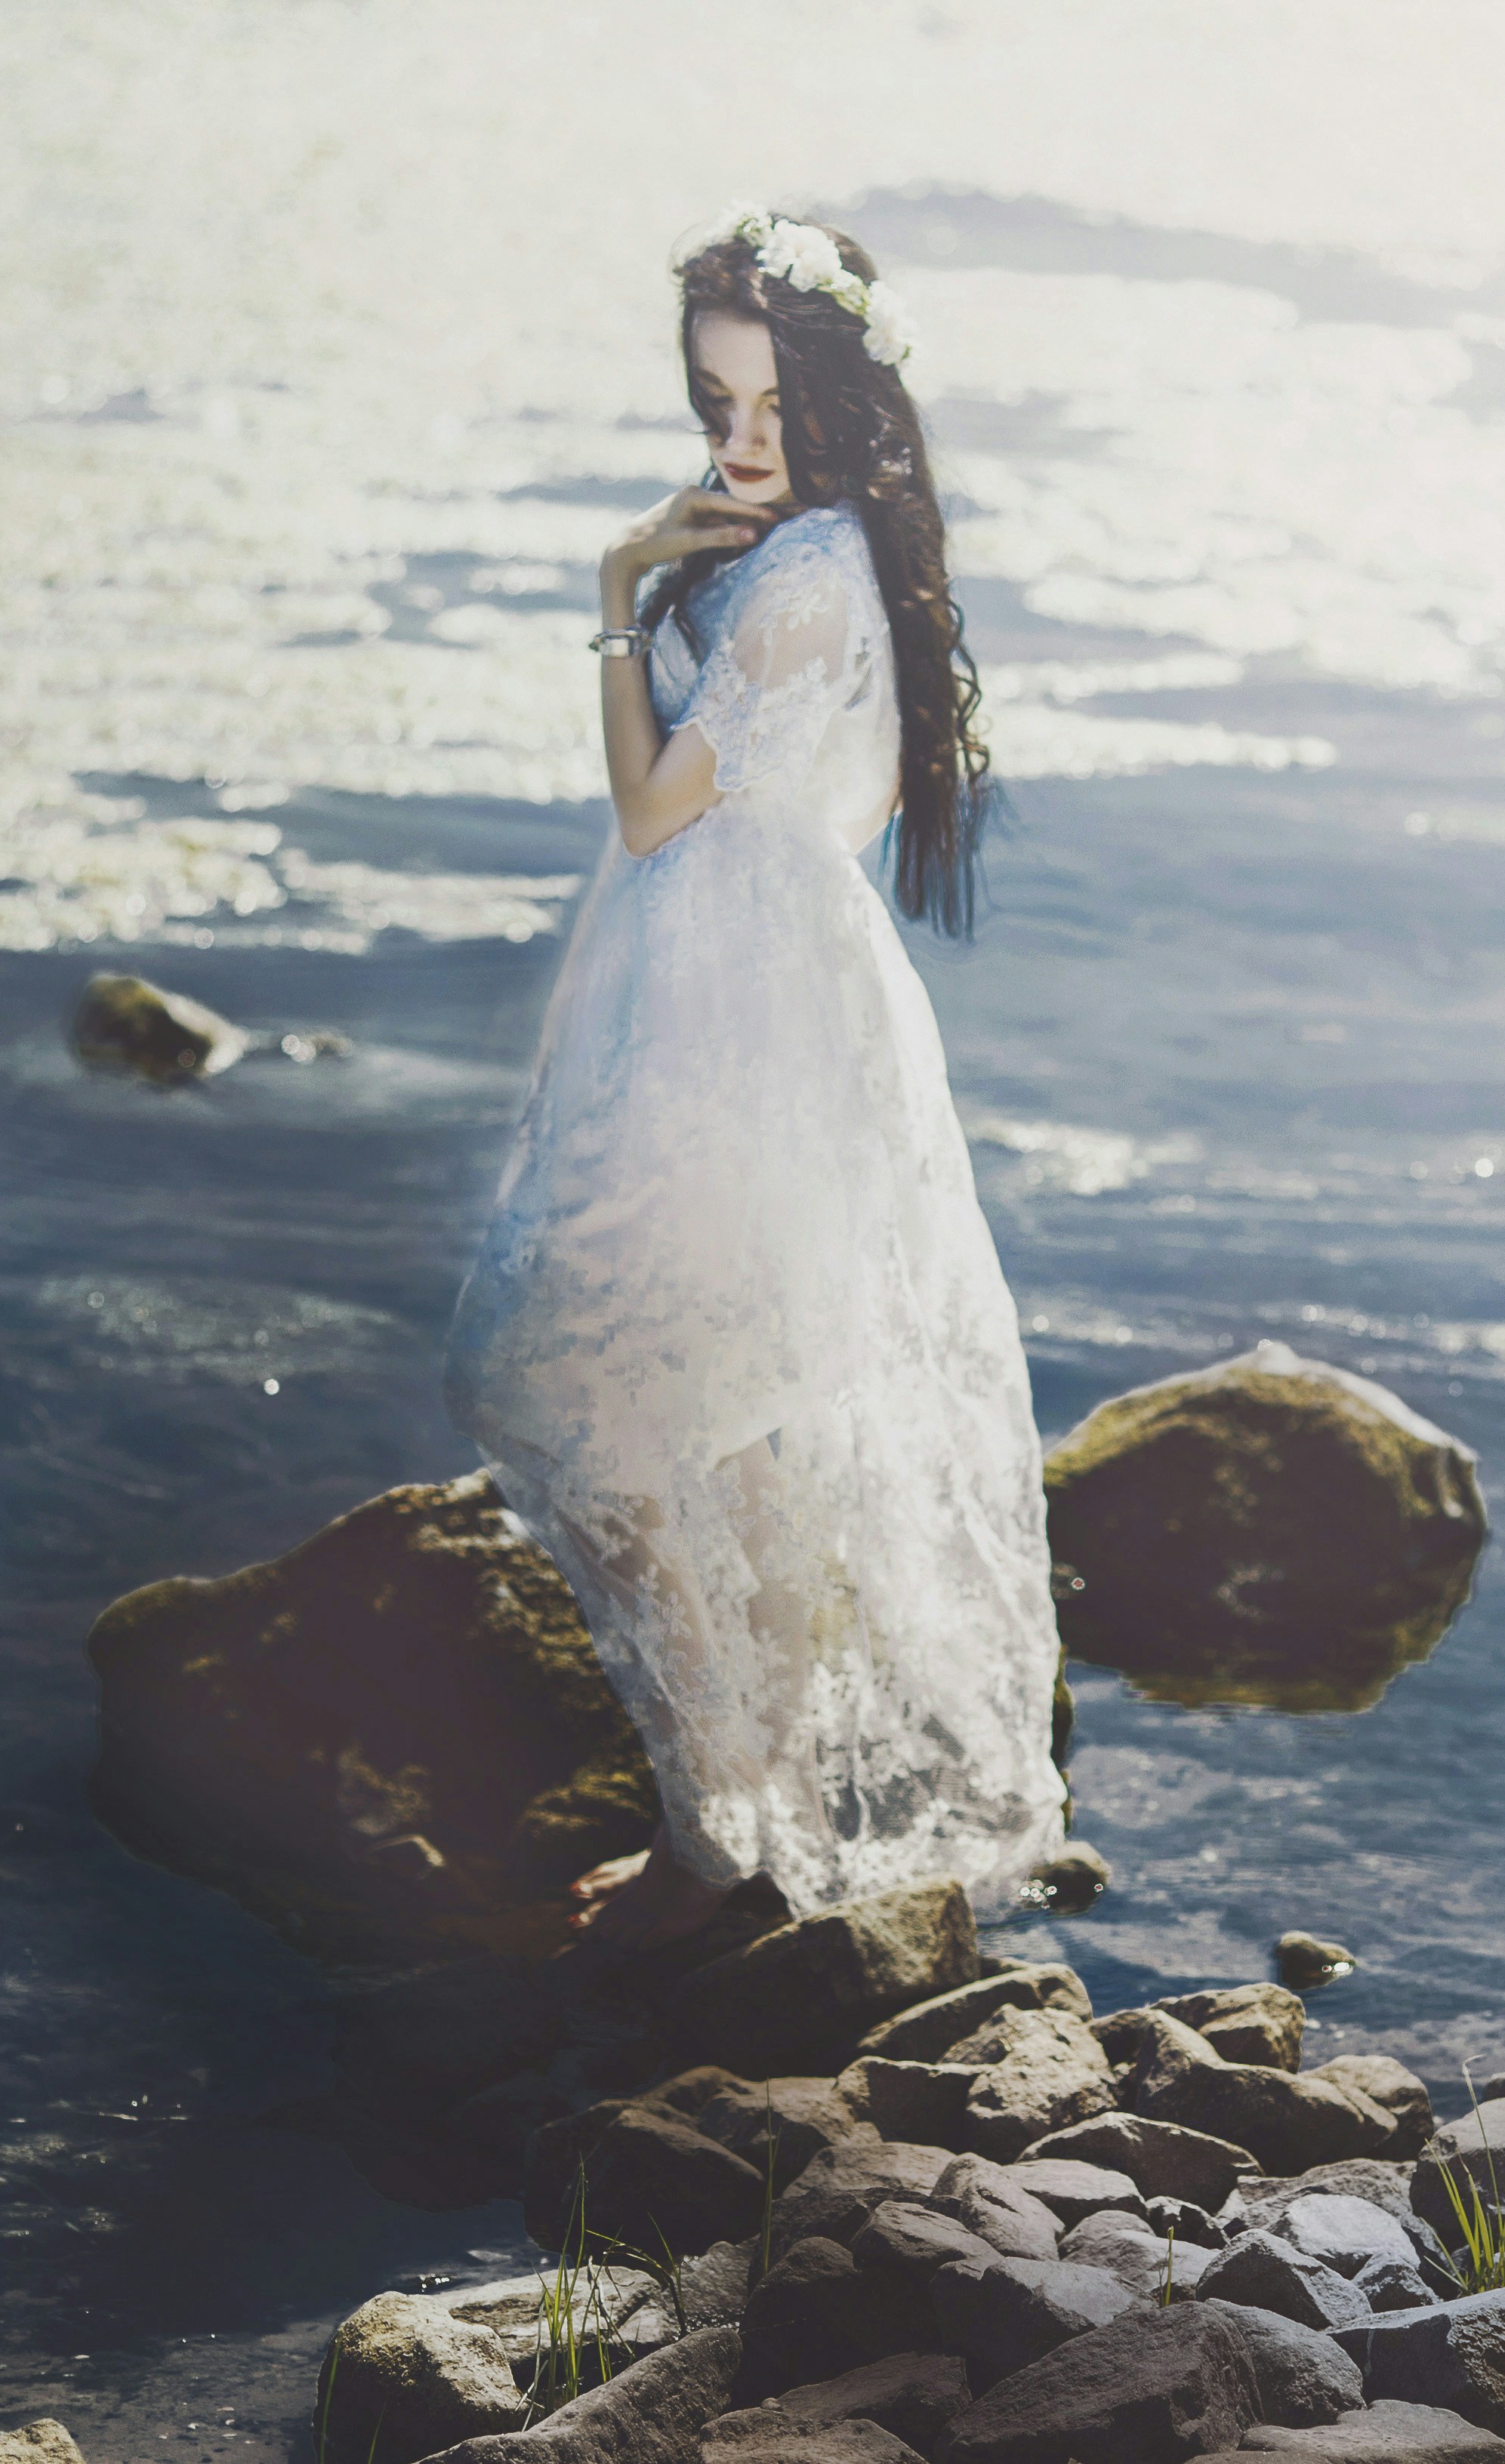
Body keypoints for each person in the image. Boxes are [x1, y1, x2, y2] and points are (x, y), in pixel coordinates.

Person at [444, 211, 1065, 1949]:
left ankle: (722, 1832)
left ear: (851, 404)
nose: (739, 438)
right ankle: (727, 1825)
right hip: (759, 995)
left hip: (743, 1019)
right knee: (737, 1420)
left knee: (571, 1371)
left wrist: (608, 598)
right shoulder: (824, 554)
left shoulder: (799, 581)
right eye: (718, 395)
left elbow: (653, 811)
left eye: (778, 402)